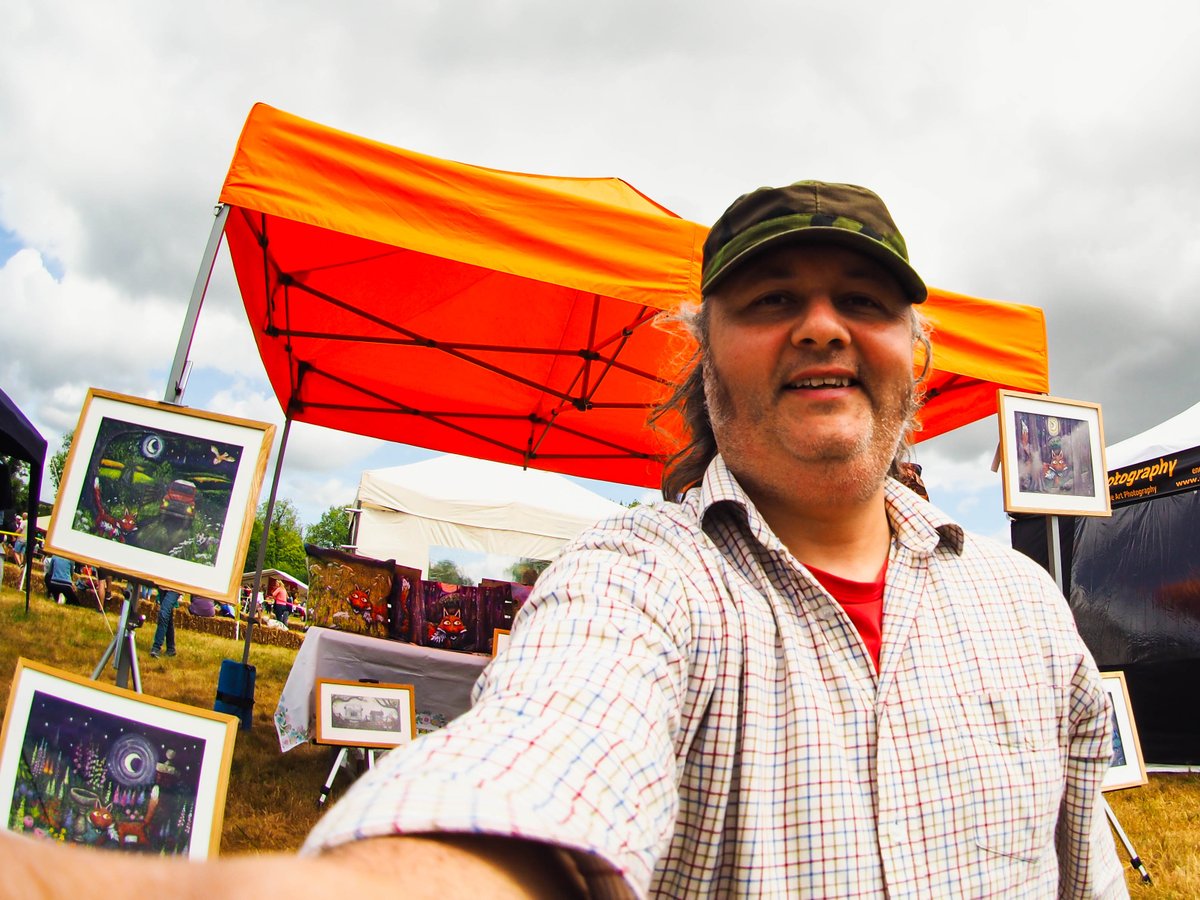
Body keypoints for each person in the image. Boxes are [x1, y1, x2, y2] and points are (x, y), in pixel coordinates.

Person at [0, 181, 1125, 898]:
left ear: (916, 354)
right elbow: (547, 768)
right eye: (771, 299)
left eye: (864, 301)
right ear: (703, 357)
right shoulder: (641, 578)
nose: (822, 324)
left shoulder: (1028, 610)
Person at [150, 588, 179, 658]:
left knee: (164, 614)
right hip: (163, 587)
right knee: (167, 616)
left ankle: (156, 647)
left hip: (176, 587)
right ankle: (171, 649)